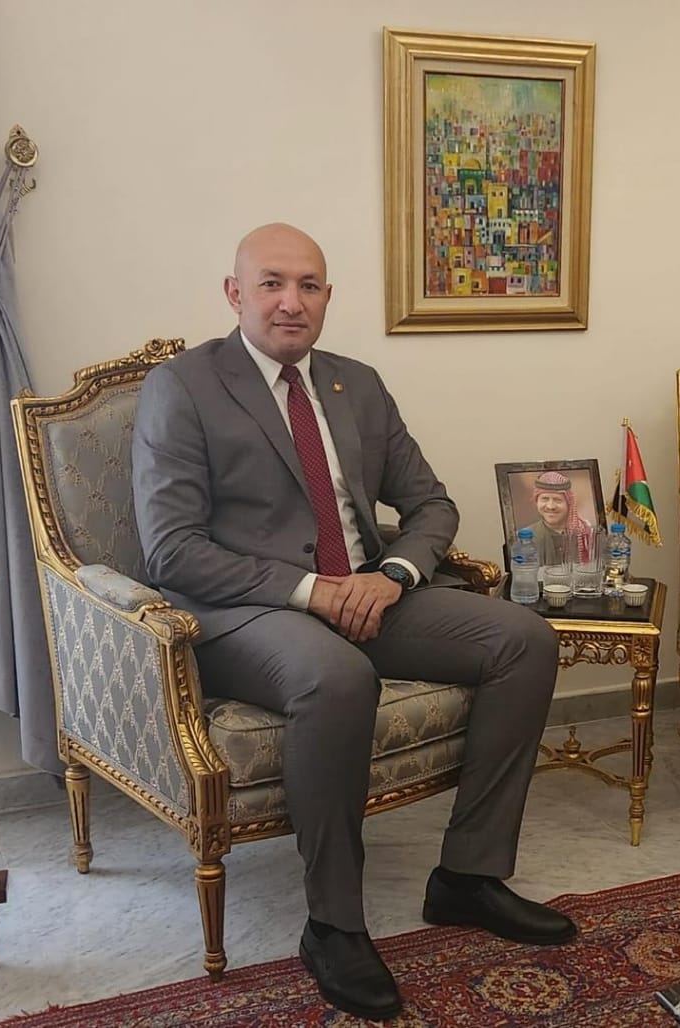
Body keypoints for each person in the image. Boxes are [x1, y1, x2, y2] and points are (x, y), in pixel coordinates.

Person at [132, 223, 576, 1022]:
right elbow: (172, 550)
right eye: (271, 283)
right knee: (339, 678)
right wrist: (312, 591)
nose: (291, 301)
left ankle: (468, 876)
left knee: (523, 639)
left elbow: (431, 503)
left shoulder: (355, 384)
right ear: (234, 294)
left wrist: (392, 574)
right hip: (246, 611)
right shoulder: (184, 387)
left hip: (365, 590)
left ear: (328, 297)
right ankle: (334, 925)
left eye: (309, 285)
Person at [518, 470, 595, 565]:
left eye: (557, 500)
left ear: (568, 503)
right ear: (536, 502)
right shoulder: (524, 538)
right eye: (545, 499)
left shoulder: (587, 534)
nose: (551, 506)